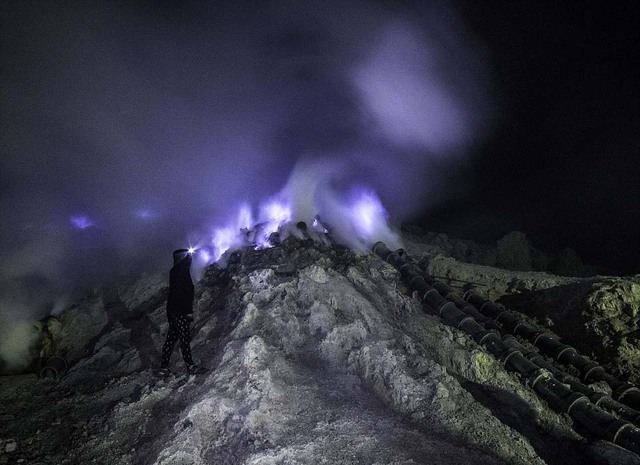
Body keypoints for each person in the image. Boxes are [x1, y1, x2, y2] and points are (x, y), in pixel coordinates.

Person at [159, 248, 206, 375]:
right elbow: (183, 293)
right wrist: (188, 312)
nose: (190, 258)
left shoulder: (175, 271)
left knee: (171, 338)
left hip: (173, 311)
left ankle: (164, 368)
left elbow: (175, 294)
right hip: (179, 312)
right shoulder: (182, 272)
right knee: (184, 338)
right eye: (188, 256)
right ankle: (190, 366)